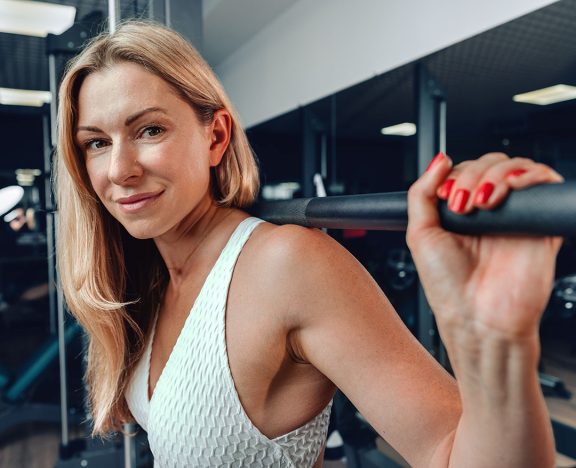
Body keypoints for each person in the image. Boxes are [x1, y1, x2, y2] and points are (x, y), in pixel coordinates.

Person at [54, 20, 563, 467]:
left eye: (149, 129)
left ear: (216, 138)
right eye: (96, 142)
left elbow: (446, 451)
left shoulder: (287, 264)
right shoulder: (150, 277)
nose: (119, 169)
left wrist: (494, 348)